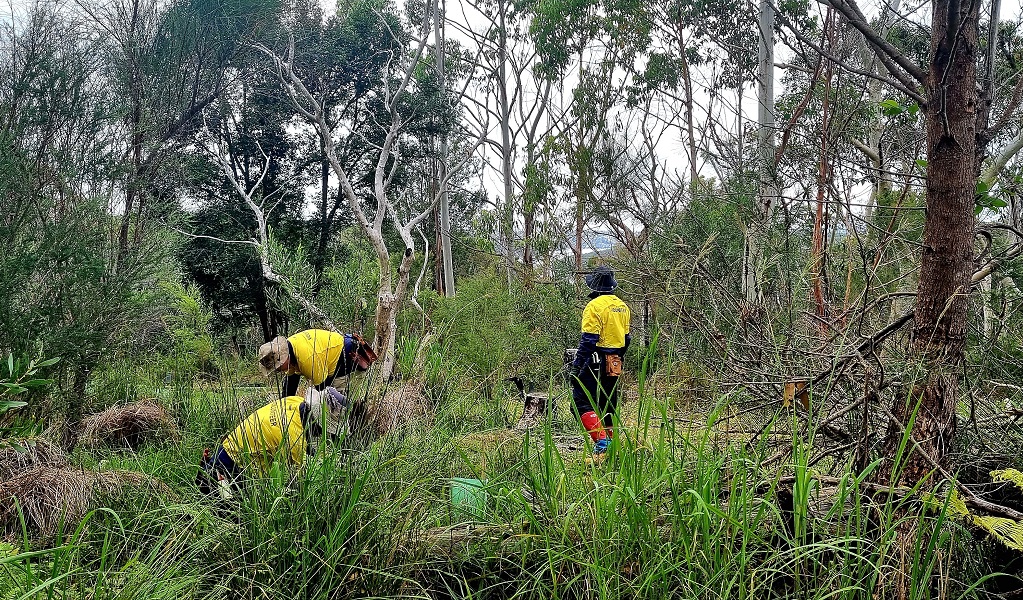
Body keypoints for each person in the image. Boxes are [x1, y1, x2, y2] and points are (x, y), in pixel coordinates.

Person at [196, 387, 349, 496]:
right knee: (236, 519)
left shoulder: (295, 401)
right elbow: (298, 483)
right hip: (230, 469)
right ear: (317, 422)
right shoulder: (293, 439)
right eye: (326, 430)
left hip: (227, 448)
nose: (325, 434)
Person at [567, 266, 631, 466]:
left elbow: (589, 340)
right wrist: (616, 358)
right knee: (608, 402)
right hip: (615, 360)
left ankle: (603, 443)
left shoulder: (594, 307)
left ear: (593, 286)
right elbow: (627, 339)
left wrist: (577, 367)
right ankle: (612, 445)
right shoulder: (622, 306)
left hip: (595, 358)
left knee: (580, 402)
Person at [257, 329, 377, 398]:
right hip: (331, 364)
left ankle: (348, 436)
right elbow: (290, 385)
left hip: (349, 360)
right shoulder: (289, 349)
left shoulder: (307, 359)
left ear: (284, 358)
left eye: (278, 368)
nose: (278, 371)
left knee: (338, 405)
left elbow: (324, 391)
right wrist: (283, 408)